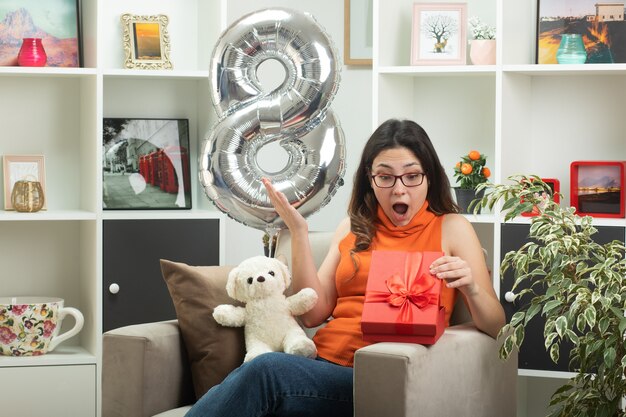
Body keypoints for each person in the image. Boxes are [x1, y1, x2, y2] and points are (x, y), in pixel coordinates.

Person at [185, 119, 506, 417]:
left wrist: (471, 287)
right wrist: (298, 232)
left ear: (429, 177)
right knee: (266, 374)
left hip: (371, 378)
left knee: (267, 370)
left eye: (411, 175)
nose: (399, 189)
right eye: (385, 176)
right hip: (320, 364)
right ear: (370, 178)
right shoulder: (352, 227)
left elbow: (496, 326)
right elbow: (312, 314)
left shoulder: (451, 228)